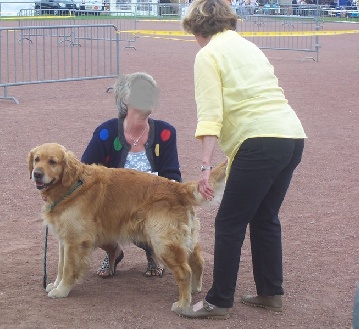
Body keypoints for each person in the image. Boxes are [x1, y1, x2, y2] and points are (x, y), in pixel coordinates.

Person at [176, 0, 306, 319]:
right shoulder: (249, 47)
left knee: (229, 222)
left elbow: (210, 115)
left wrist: (206, 167)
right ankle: (270, 292)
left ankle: (219, 300)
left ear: (198, 27)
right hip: (291, 135)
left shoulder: (207, 55)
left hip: (259, 140)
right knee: (264, 218)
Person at [81, 72, 182, 278]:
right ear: (126, 99)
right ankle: (113, 251)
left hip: (152, 205)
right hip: (113, 206)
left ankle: (153, 252)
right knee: (87, 216)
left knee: (161, 215)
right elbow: (85, 171)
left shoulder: (165, 132)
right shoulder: (105, 133)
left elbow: (173, 175)